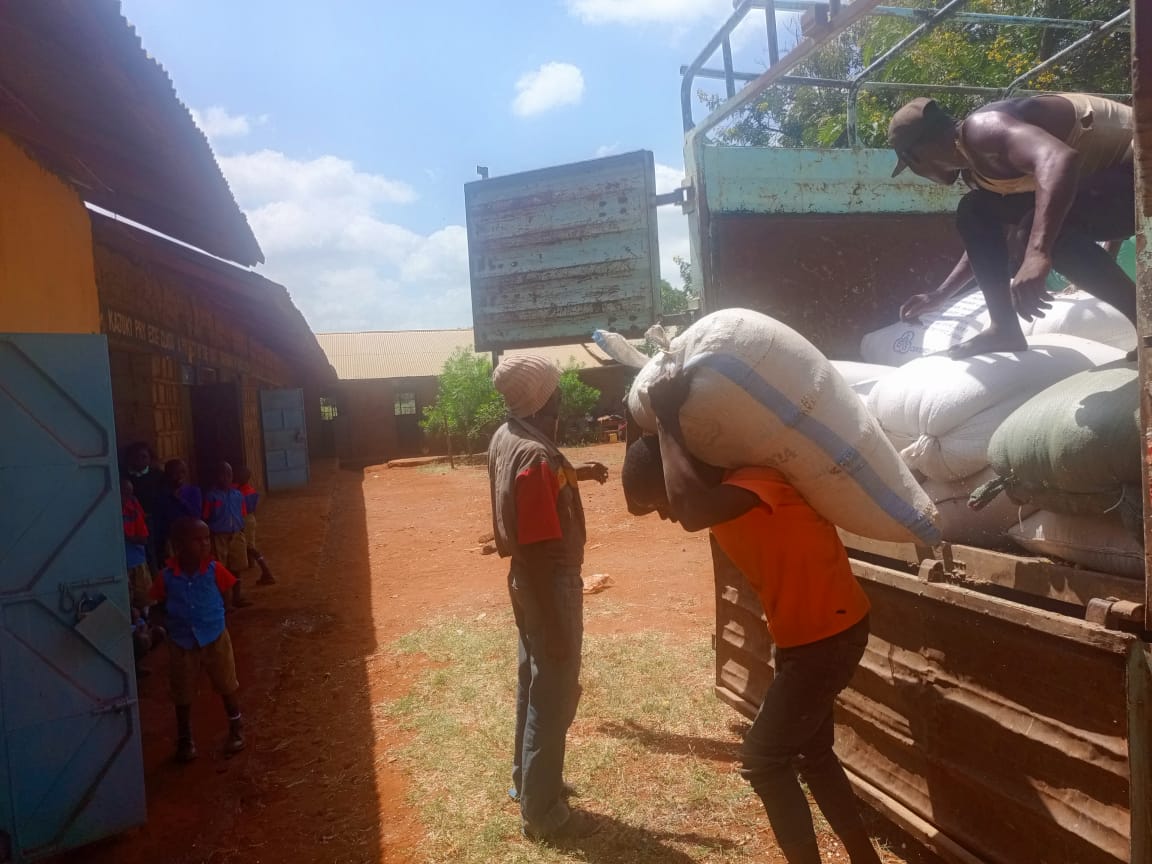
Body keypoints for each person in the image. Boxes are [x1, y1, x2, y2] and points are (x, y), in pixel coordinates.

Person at [621, 370, 881, 864]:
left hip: (827, 638)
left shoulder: (756, 483)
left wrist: (670, 419)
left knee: (762, 760)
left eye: (662, 504)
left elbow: (690, 507)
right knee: (813, 754)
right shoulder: (726, 498)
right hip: (812, 637)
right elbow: (672, 494)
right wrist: (643, 421)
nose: (667, 516)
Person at [889, 93, 1134, 358]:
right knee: (975, 209)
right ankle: (1003, 327)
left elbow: (1060, 159)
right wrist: (940, 295)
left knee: (1034, 231)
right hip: (1116, 184)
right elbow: (988, 242)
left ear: (915, 158)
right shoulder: (977, 169)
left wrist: (1037, 253)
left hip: (1141, 168)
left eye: (911, 166)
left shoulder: (982, 130)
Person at [487, 354, 609, 842]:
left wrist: (576, 471)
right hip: (546, 582)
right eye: (555, 388)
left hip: (523, 581)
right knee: (553, 692)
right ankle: (544, 812)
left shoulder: (507, 437)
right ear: (544, 397)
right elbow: (540, 545)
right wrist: (558, 624)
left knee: (531, 682)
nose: (560, 395)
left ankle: (528, 780)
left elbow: (531, 491)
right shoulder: (536, 457)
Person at [149, 517, 245, 762]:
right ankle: (185, 740)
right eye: (197, 540)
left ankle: (236, 729)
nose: (204, 545)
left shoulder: (215, 570)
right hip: (182, 642)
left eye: (207, 539)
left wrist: (217, 620)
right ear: (179, 545)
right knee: (182, 692)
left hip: (215, 637)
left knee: (227, 684)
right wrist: (166, 626)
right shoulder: (167, 577)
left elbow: (225, 597)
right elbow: (157, 604)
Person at [203, 462, 252, 608]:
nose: (225, 478)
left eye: (229, 475)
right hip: (219, 536)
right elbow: (206, 517)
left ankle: (237, 597)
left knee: (237, 567)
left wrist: (241, 531)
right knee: (221, 569)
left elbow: (242, 514)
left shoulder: (238, 495)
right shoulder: (211, 497)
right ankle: (225, 602)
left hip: (236, 534)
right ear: (216, 477)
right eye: (222, 475)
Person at [122, 441, 166, 571]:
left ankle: (154, 577)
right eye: (136, 457)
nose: (140, 460)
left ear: (150, 458)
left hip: (151, 518)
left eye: (144, 457)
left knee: (152, 549)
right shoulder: (124, 476)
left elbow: (161, 496)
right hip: (131, 518)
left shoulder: (157, 475)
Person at [234, 466, 276, 585]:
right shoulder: (251, 490)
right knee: (249, 544)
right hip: (251, 518)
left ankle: (266, 571)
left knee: (249, 547)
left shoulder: (239, 492)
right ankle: (256, 566)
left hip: (243, 519)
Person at [155, 459, 202, 560]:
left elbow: (196, 515)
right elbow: (160, 521)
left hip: (191, 536)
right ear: (168, 475)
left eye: (182, 472)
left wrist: (181, 501)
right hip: (171, 539)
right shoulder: (163, 495)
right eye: (175, 473)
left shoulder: (193, 491)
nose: (179, 476)